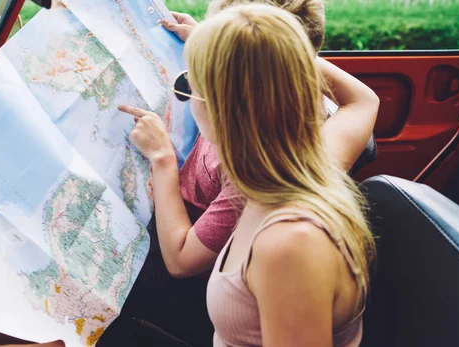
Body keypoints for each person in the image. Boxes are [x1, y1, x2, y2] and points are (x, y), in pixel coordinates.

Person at [123, 3, 376, 345]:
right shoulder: (312, 156)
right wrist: (244, 45)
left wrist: (163, 158)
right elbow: (364, 99)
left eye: (188, 85)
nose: (184, 95)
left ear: (219, 106)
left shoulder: (289, 246)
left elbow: (181, 263)